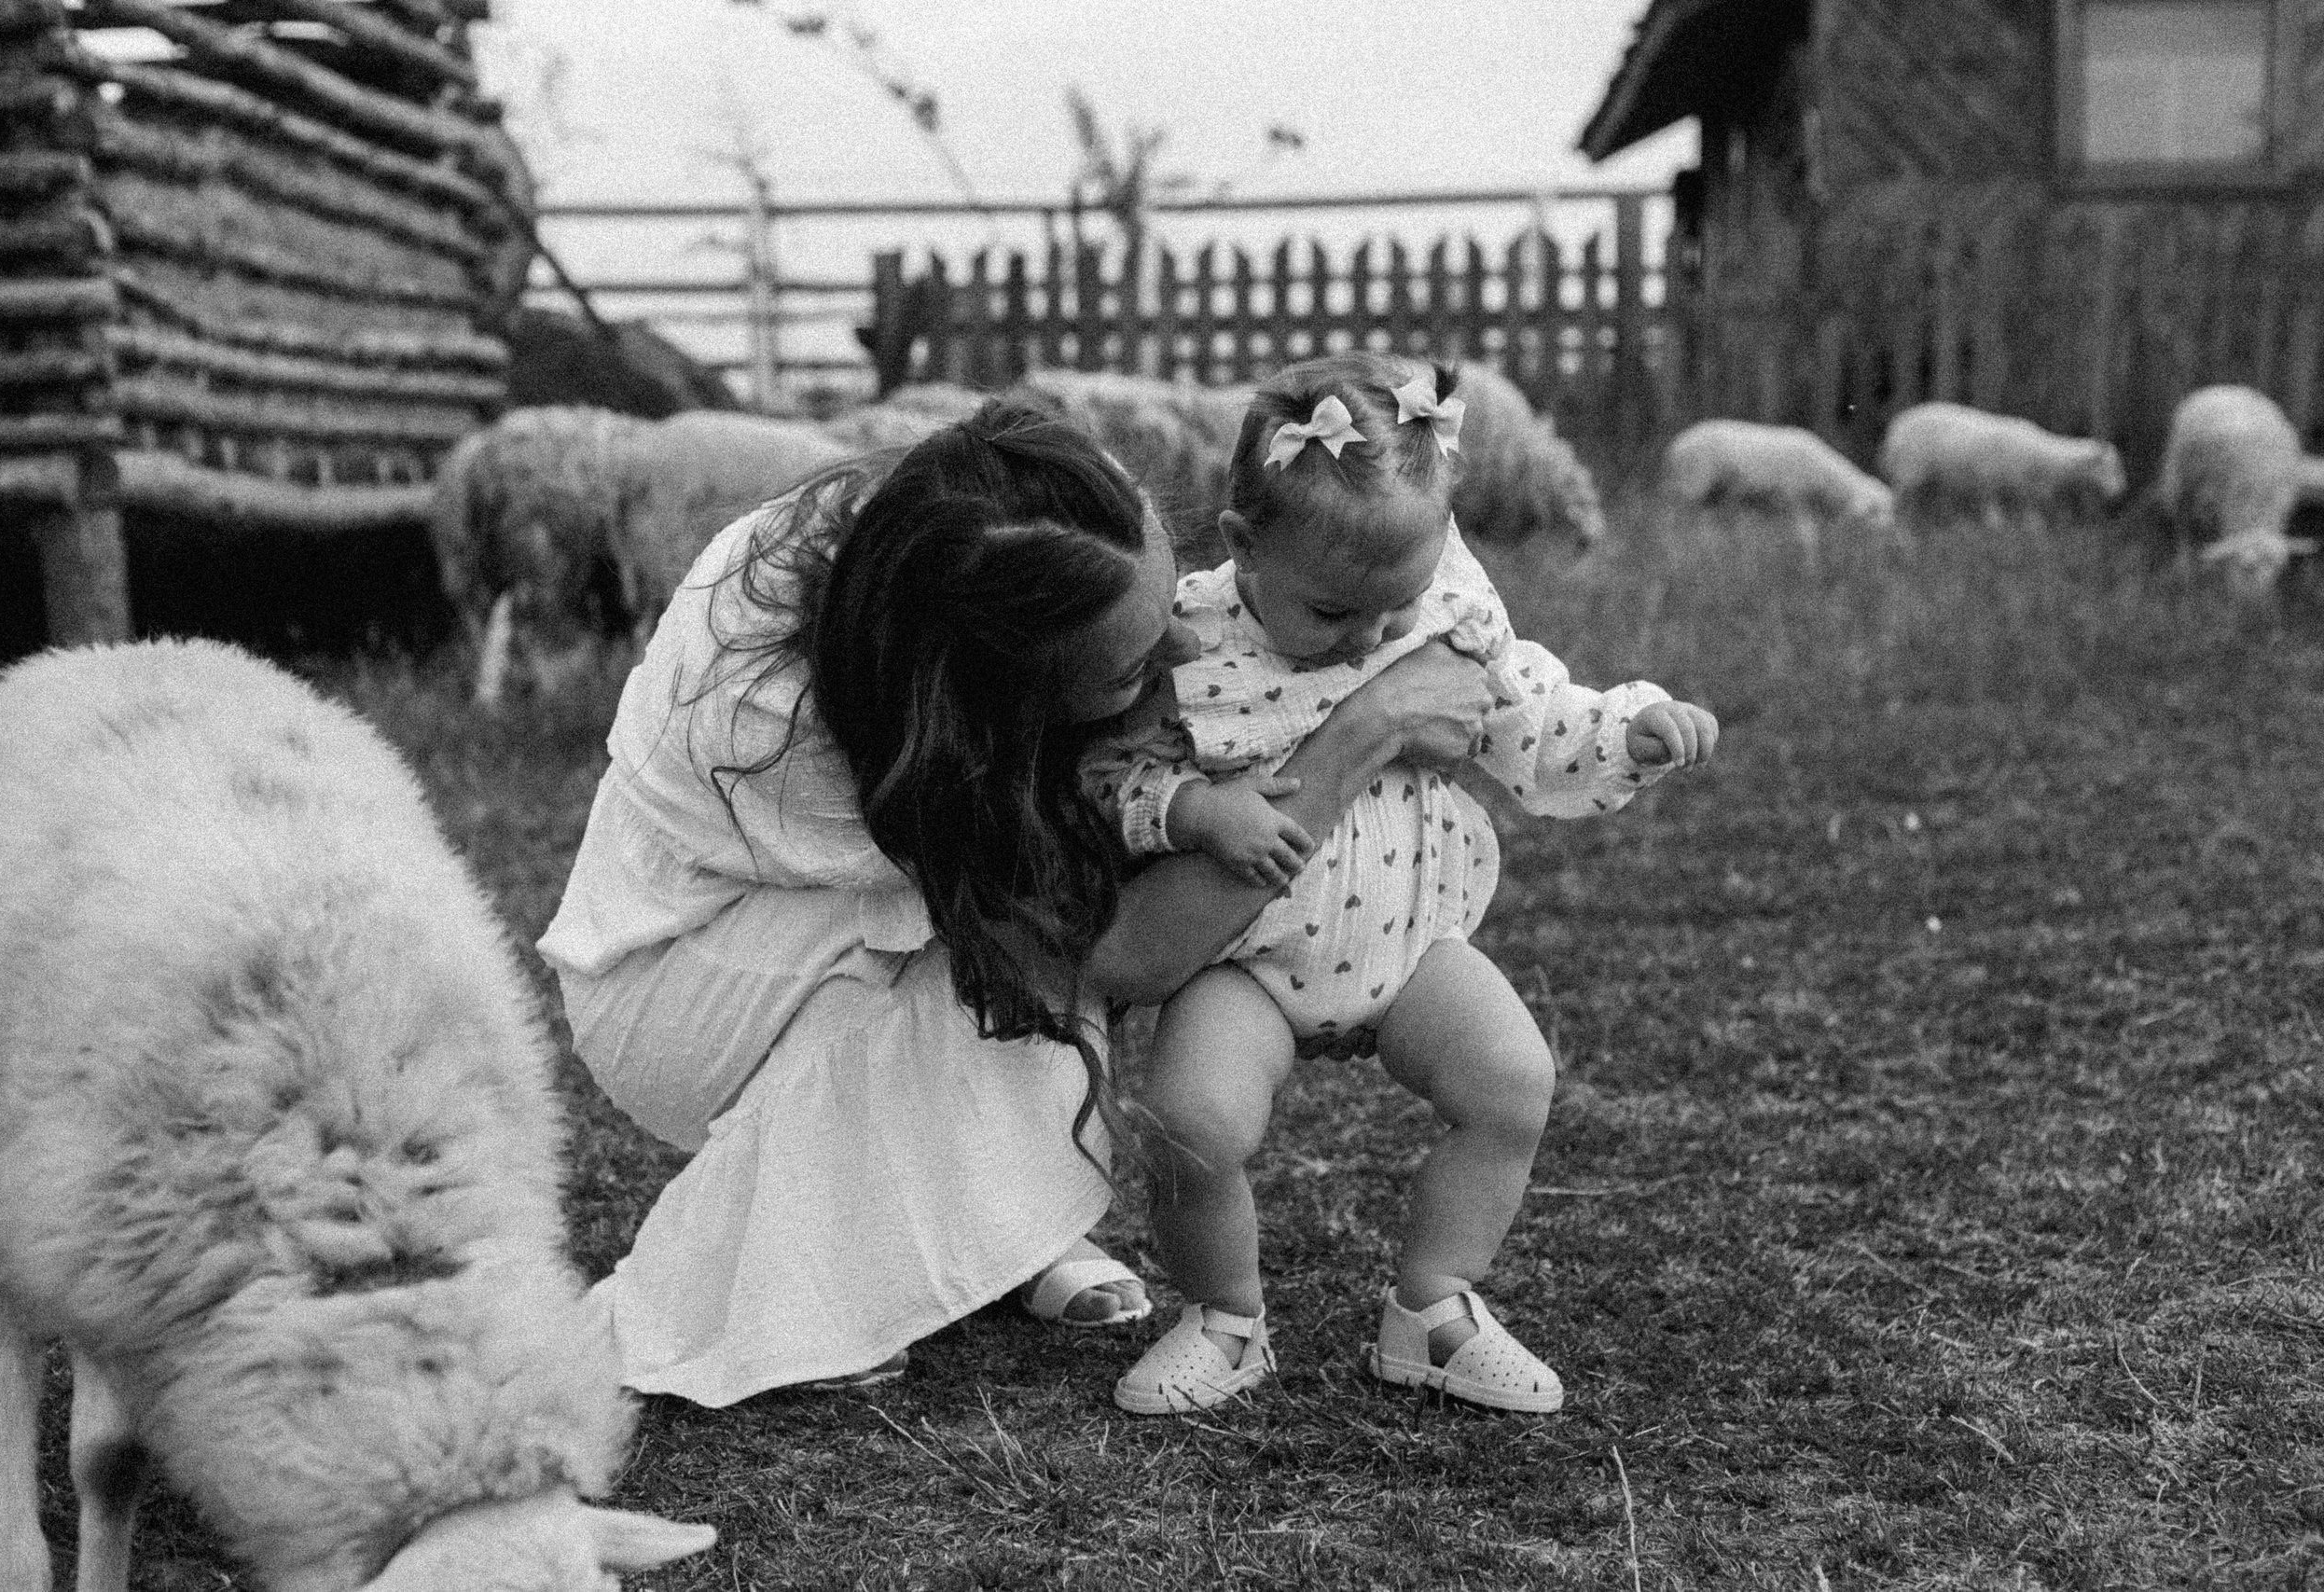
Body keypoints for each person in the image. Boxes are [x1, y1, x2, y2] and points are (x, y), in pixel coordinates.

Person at [535, 399, 1504, 1405]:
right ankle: (819, 1291)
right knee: (1016, 964)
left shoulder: (979, 531)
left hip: (788, 915)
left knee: (1018, 939)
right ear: (993, 700)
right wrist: (1364, 728)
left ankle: (979, 1244)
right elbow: (1129, 958)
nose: (1182, 648)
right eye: (1132, 665)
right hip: (677, 986)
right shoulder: (807, 741)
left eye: (1168, 594)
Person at [1085, 353, 1719, 1416]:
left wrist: (1629, 734)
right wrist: (1193, 810)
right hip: (1245, 960)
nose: (1375, 638)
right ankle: (1224, 1318)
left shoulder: (1450, 612)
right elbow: (1113, 777)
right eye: (1334, 614)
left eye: (1398, 606)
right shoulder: (1188, 641)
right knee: (1193, 1119)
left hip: (1413, 941)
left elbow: (1532, 721)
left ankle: (1433, 1307)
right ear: (1245, 546)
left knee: (1512, 1083)